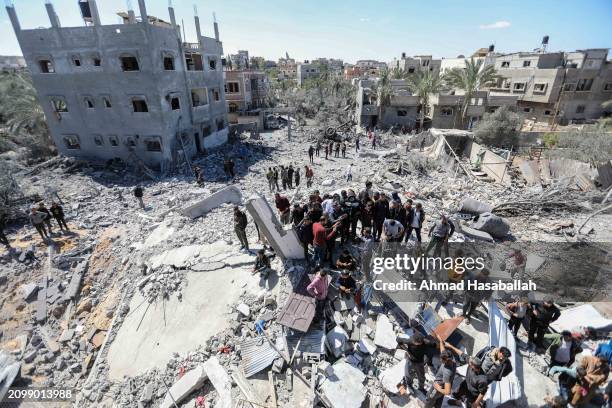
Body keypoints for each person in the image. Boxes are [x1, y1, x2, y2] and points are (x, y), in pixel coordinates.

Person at [424, 335, 456, 408]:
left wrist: (438, 388)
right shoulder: (451, 358)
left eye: (441, 359)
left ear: (445, 361)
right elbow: (443, 350)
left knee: (430, 398)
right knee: (439, 400)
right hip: (442, 387)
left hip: (439, 387)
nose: (440, 360)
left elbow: (448, 391)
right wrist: (440, 340)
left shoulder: (447, 371)